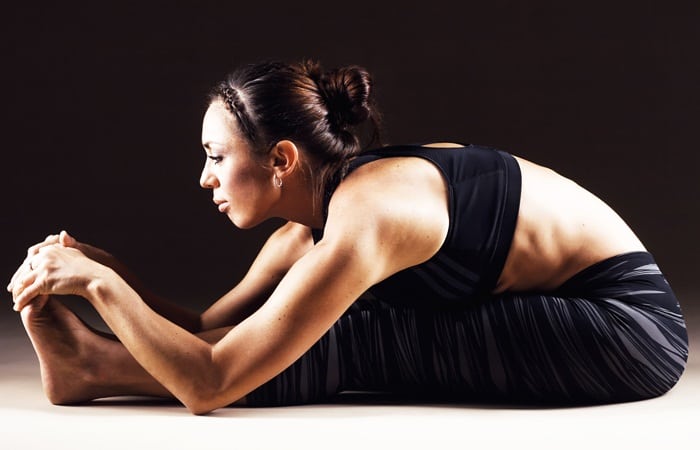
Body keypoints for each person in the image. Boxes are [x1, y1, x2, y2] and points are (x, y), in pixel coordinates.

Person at [8, 60, 688, 414]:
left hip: (629, 331)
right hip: (578, 317)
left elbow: (210, 381)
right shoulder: (314, 224)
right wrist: (114, 274)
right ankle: (95, 364)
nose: (204, 178)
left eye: (217, 157)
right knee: (294, 324)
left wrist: (96, 287)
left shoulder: (371, 219)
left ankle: (97, 370)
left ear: (280, 160)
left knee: (354, 332)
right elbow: (214, 329)